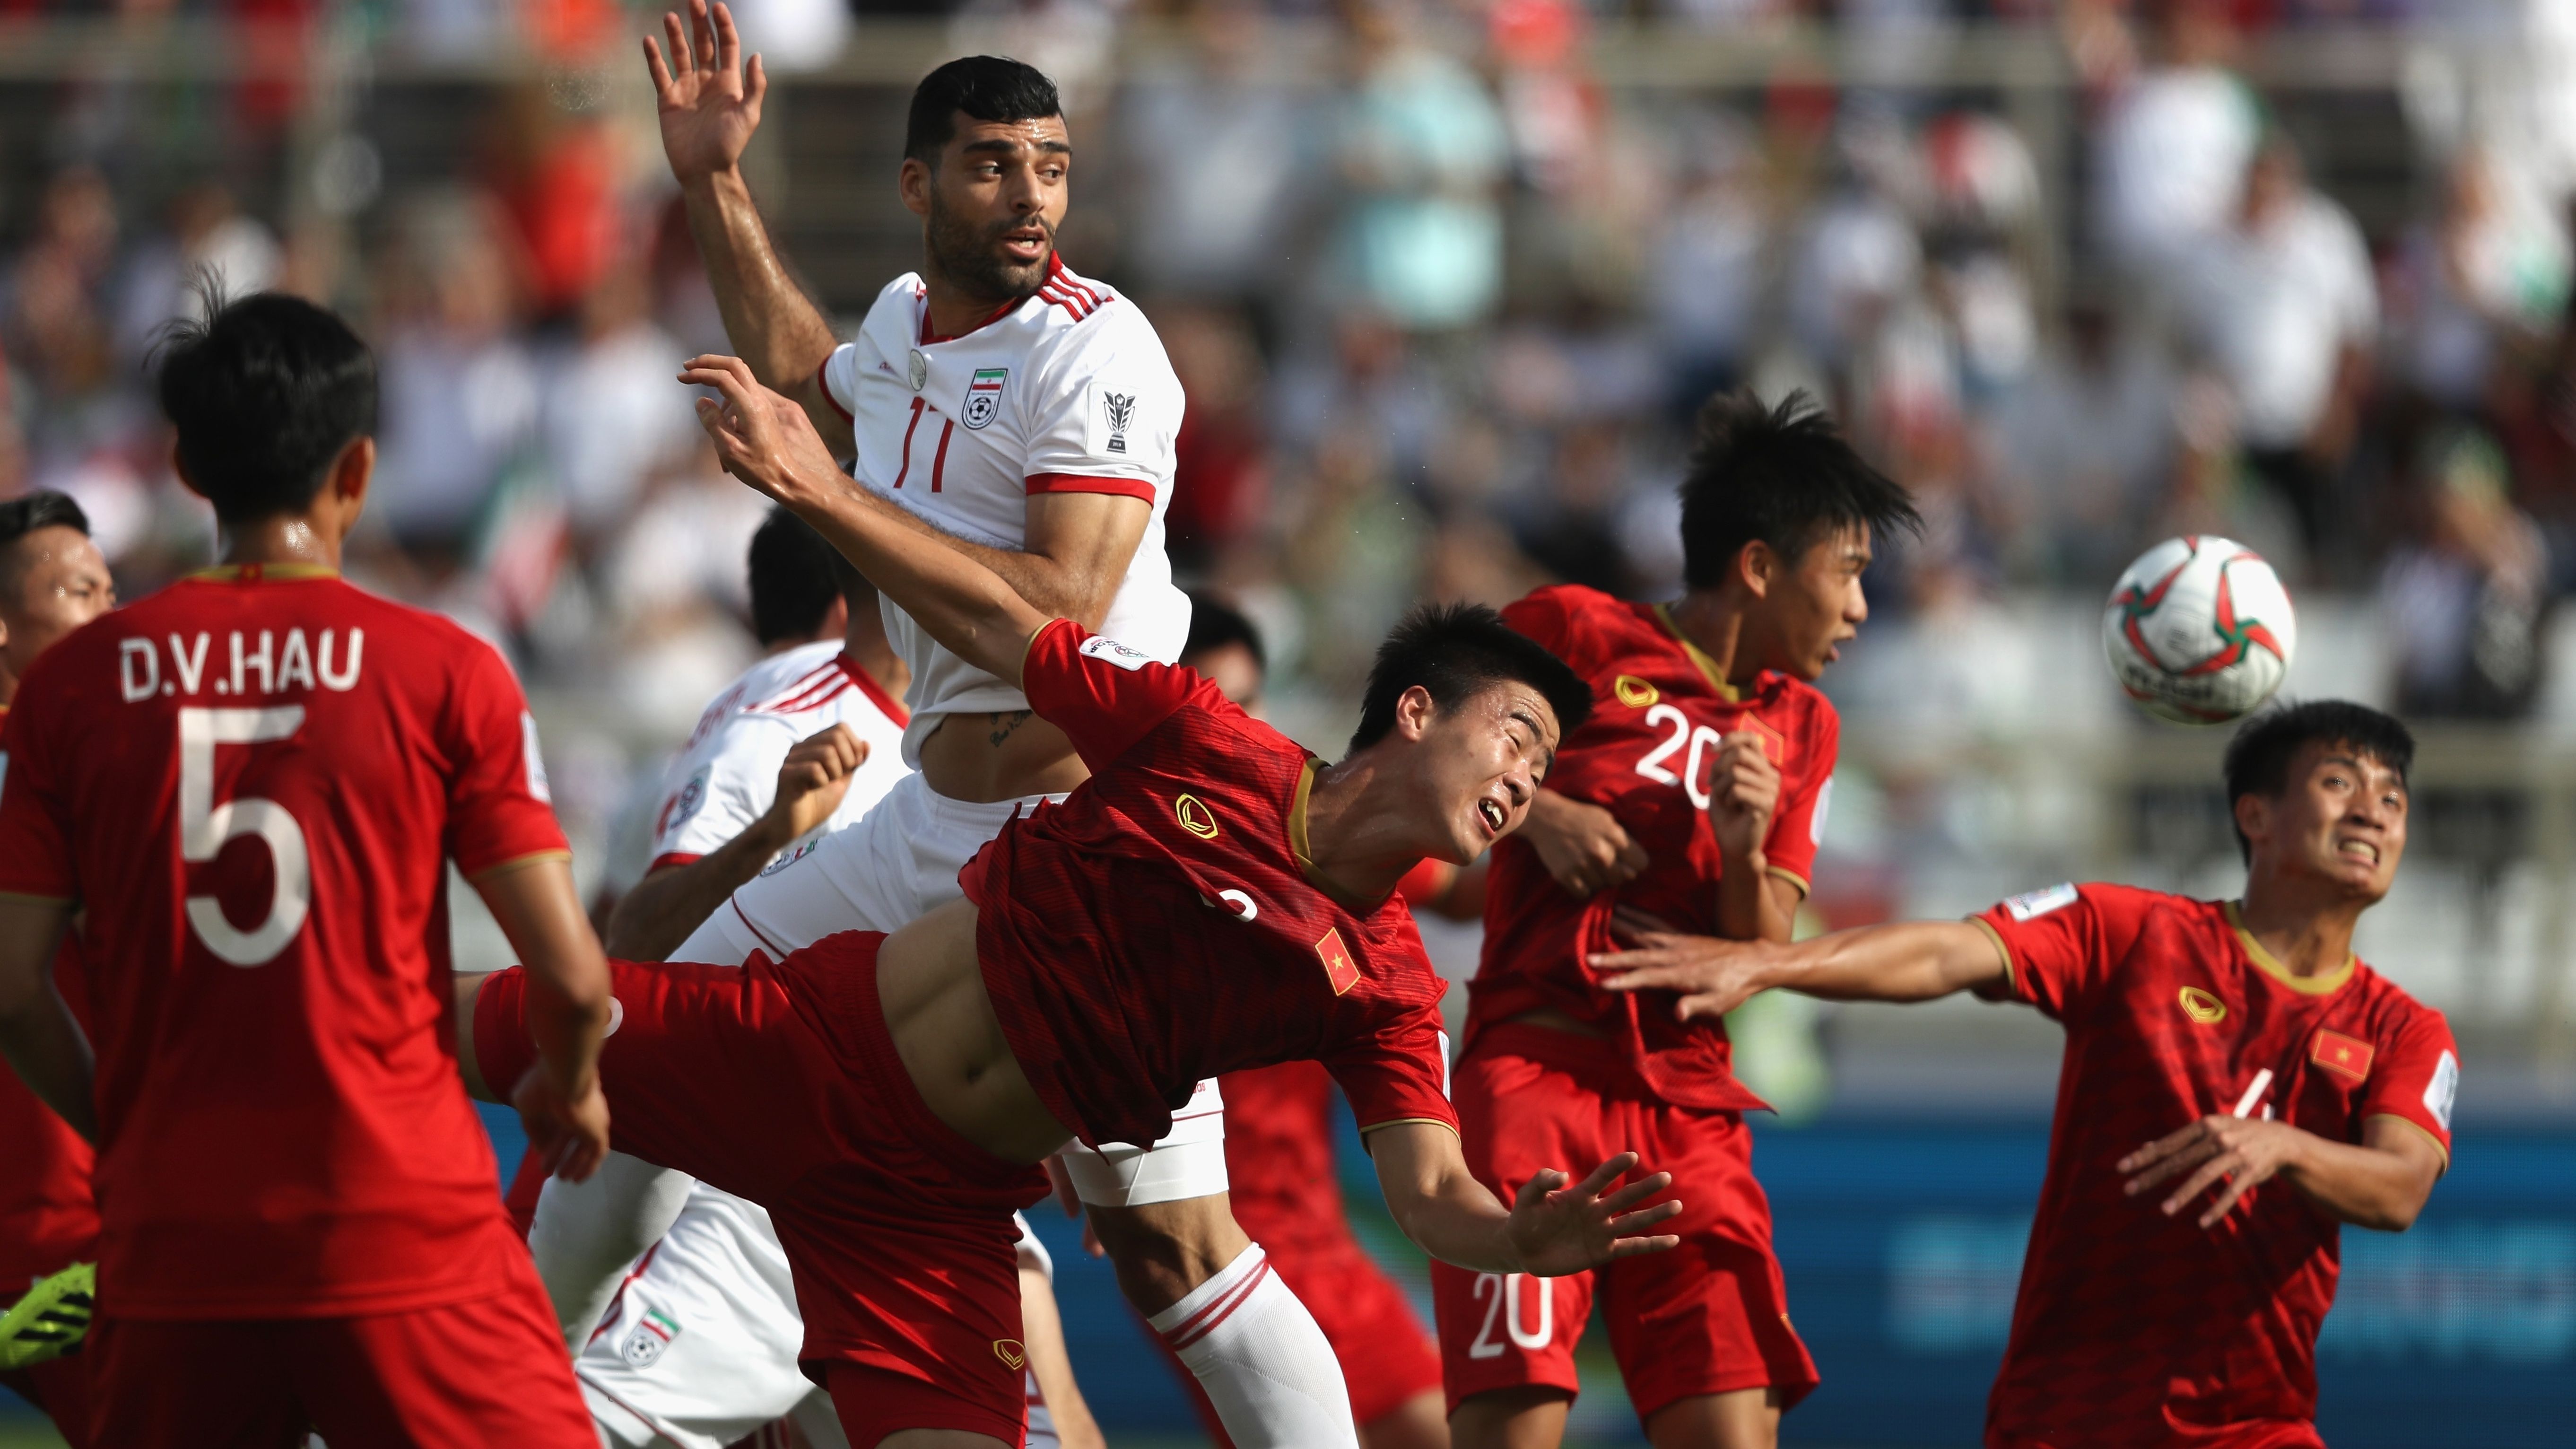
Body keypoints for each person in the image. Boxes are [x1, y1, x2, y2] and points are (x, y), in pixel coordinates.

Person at [462, 349, 1682, 1449]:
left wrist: (1513, 1240)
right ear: (1416, 711)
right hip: (806, 1048)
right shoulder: (1202, 740)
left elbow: (1430, 1190)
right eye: (1518, 736)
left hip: (934, 1209)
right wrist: (820, 490)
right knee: (416, 1021)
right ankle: (513, 1386)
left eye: (1542, 770)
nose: (1525, 779)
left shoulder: (1389, 987)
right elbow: (1006, 622)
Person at [580, 9, 1356, 1444]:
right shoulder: (905, 323)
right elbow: (813, 379)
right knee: (642, 1030)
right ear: (917, 184)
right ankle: (523, 1371)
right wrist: (712, 182)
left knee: (1174, 1252)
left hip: (1090, 839)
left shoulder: (1101, 347)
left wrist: (824, 495)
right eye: (994, 165)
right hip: (923, 823)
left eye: (1050, 166)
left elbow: (1058, 610)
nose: (1031, 196)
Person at [0, 292, 613, 1446]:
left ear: (187, 468)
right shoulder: (446, 668)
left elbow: (11, 984)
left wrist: (123, 1128)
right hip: (402, 1226)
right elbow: (575, 979)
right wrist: (569, 1079)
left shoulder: (71, 692)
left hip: (172, 1237)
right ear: (359, 469)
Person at [1592, 701, 2454, 1449]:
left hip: (2252, 1422)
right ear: (2255, 815)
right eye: (2340, 783)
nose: (2374, 813)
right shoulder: (2134, 933)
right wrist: (1769, 964)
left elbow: (2402, 1186)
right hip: (2068, 1411)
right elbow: (1948, 952)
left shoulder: (2404, 1030)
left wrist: (2286, 1147)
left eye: (2393, 800)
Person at [550, 505, 1100, 1449]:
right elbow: (638, 945)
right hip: (758, 1203)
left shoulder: (967, 742)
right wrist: (772, 833)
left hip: (923, 1187)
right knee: (553, 1420)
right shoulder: (788, 719)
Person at [1434, 391, 1920, 1449]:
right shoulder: (1573, 632)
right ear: (1760, 566)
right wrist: (1540, 809)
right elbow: (1413, 748)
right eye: (1846, 572)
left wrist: (1744, 847)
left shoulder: (1805, 725)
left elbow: (1764, 949)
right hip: (1537, 1083)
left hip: (1690, 1116)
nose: (1859, 609)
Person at [1139, 593, 1452, 1449]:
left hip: (1318, 1236)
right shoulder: (1127, 850)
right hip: (1207, 1243)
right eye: (1211, 705)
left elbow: (1461, 885)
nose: (1233, 729)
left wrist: (1555, 816)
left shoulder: (1312, 835)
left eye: (1247, 704)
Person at [0, 491, 112, 1444]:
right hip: (76, 1250)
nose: (110, 617)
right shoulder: (50, 773)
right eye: (79, 592)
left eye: (112, 591)